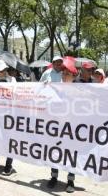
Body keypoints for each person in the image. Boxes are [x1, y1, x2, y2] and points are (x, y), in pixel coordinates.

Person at [47, 61, 78, 193]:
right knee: (55, 152)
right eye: (63, 73)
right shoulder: (56, 89)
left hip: (71, 129)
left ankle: (70, 180)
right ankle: (54, 177)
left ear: (74, 76)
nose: (64, 76)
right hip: (57, 127)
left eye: (67, 74)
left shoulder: (79, 91)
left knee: (70, 155)